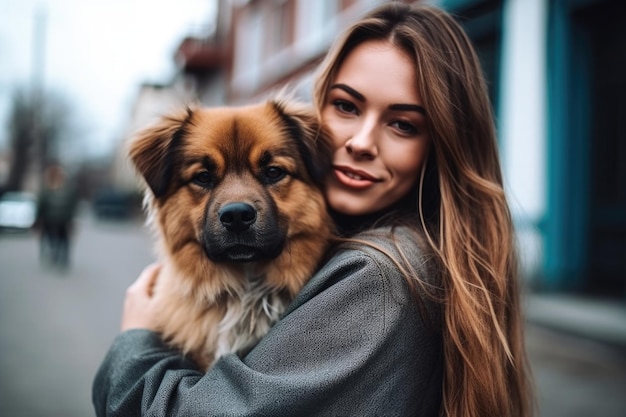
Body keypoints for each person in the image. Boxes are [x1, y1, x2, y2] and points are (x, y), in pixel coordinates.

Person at [93, 3, 533, 416]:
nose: (360, 142)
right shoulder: (352, 248)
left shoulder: (375, 278)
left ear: (442, 147)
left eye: (403, 124)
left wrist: (137, 339)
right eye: (345, 106)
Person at [36, 163, 79, 268]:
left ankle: (63, 258)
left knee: (64, 240)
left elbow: (72, 206)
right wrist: (38, 222)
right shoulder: (46, 190)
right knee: (51, 239)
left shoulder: (68, 190)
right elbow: (41, 206)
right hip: (49, 220)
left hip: (63, 220)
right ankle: (54, 255)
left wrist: (71, 221)